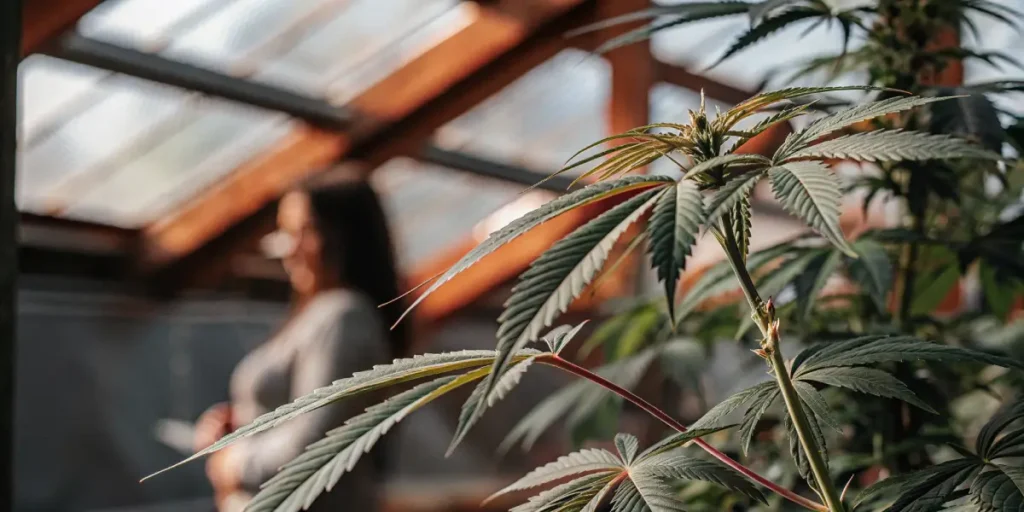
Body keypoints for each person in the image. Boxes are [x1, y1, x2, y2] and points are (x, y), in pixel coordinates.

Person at [192, 169, 408, 511]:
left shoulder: (343, 317)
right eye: (287, 233)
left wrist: (234, 461)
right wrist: (243, 423)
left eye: (306, 232)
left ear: (346, 238)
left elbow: (313, 446)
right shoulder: (320, 316)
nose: (289, 249)